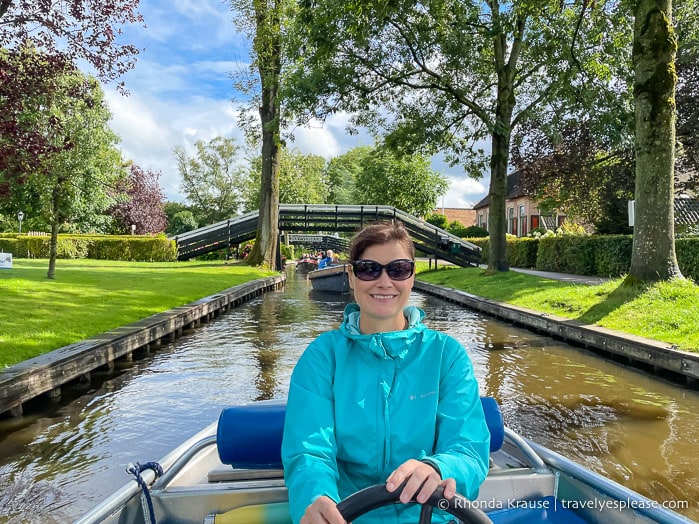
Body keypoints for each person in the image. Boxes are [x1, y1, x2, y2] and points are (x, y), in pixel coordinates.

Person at [282, 221, 490, 524]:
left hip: (430, 515)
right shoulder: (322, 357)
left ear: (412, 277)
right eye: (369, 269)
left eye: (398, 269)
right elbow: (310, 452)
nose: (384, 281)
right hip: (346, 515)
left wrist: (438, 468)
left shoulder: (446, 355)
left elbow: (468, 447)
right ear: (352, 277)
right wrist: (317, 497)